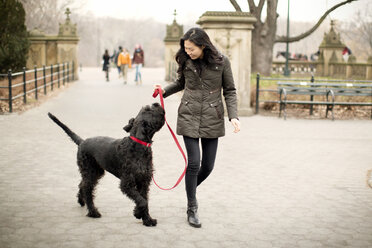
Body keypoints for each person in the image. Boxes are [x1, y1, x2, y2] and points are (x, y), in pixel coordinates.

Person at [153, 27, 241, 228]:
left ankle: (189, 189)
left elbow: (230, 90)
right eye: (185, 48)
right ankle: (192, 206)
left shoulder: (222, 62)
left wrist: (233, 116)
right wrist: (163, 91)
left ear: (203, 46)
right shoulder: (186, 61)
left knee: (208, 166)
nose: (188, 52)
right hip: (188, 115)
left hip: (213, 116)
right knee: (194, 163)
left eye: (191, 49)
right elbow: (180, 83)